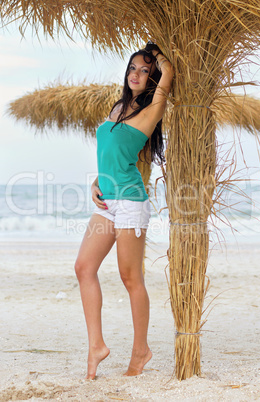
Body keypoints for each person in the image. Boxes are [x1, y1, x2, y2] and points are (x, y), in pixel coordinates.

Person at [74, 42, 174, 380]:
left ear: (152, 79)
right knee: (83, 267)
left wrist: (155, 51)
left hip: (131, 201)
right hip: (108, 202)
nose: (137, 74)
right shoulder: (117, 107)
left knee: (130, 278)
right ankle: (96, 345)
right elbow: (108, 154)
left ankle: (141, 350)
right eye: (133, 68)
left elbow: (169, 74)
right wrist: (95, 183)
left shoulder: (150, 111)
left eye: (145, 71)